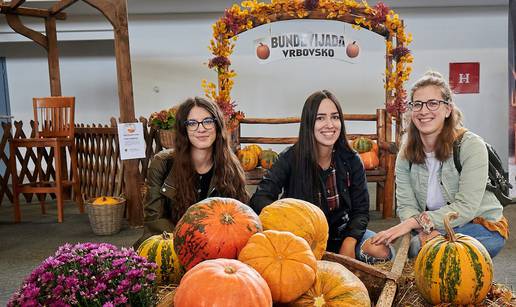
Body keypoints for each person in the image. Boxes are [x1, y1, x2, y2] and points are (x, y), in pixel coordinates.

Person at [371, 71, 508, 258]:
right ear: (411, 111)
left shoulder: (471, 145)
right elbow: (406, 206)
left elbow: (465, 207)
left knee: (428, 251)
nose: (424, 111)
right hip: (429, 226)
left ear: (448, 109)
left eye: (433, 103)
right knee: (418, 247)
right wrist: (424, 229)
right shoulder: (405, 155)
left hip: (479, 226)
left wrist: (413, 224)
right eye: (417, 104)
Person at [250, 90, 392, 263]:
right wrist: (288, 218)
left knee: (382, 251)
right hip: (302, 238)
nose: (330, 124)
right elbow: (260, 198)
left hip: (342, 233)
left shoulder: (351, 159)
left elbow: (361, 210)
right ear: (309, 123)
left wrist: (350, 241)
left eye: (334, 117)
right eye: (320, 118)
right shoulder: (290, 158)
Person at [133, 97, 249, 248]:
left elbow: (242, 216)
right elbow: (154, 220)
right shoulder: (162, 163)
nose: (201, 129)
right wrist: (191, 244)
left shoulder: (231, 166)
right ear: (184, 129)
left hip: (217, 247)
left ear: (217, 125)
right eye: (192, 123)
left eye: (208, 121)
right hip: (172, 245)